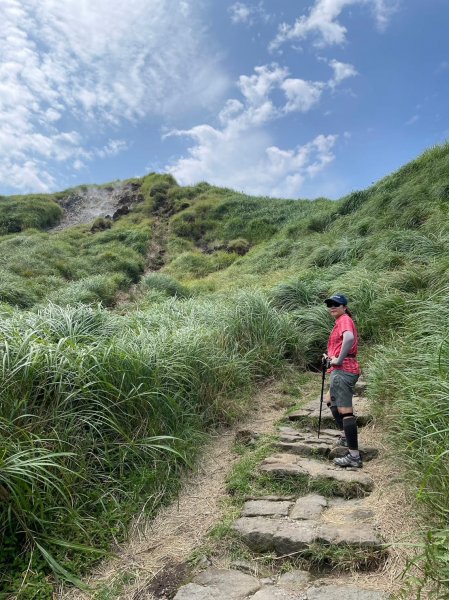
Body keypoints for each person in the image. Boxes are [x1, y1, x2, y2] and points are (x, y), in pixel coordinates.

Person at [323, 293, 362, 468]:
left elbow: (349, 339)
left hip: (343, 370)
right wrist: (331, 357)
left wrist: (338, 359)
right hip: (340, 369)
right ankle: (346, 437)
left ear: (344, 307)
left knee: (345, 411)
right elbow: (342, 342)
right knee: (330, 401)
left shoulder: (344, 319)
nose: (332, 307)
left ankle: (354, 456)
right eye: (330, 304)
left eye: (336, 304)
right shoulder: (341, 321)